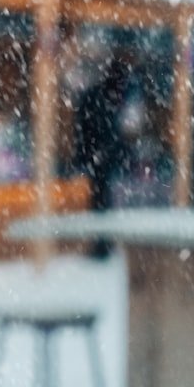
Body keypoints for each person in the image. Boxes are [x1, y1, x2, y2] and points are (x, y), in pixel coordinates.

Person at [75, 56, 132, 258]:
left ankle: (102, 243)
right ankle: (102, 243)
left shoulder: (98, 96)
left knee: (100, 199)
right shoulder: (102, 100)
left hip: (99, 158)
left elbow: (88, 129)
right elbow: (101, 130)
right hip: (100, 158)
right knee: (101, 199)